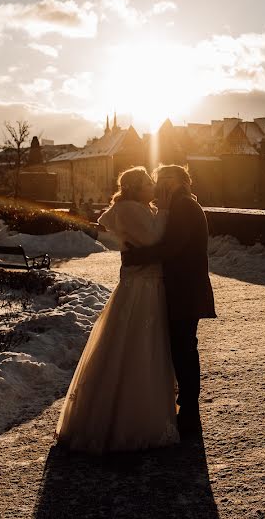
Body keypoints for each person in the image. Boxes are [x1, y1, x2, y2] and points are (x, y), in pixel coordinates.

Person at [55, 167, 179, 453]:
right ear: (136, 187)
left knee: (138, 348)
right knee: (136, 349)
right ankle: (128, 422)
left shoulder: (135, 207)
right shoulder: (129, 208)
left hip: (145, 283)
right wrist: (167, 209)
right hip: (141, 287)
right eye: (149, 182)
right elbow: (151, 239)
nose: (154, 186)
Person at [122, 165, 216, 438]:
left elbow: (172, 247)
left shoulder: (185, 206)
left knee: (184, 349)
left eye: (167, 179)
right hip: (183, 288)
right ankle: (186, 409)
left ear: (182, 182)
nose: (161, 183)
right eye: (159, 178)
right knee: (181, 348)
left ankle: (189, 412)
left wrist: (136, 257)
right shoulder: (179, 204)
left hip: (186, 288)